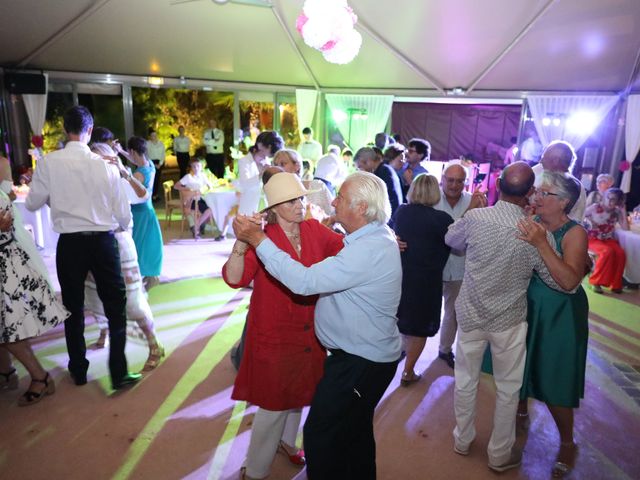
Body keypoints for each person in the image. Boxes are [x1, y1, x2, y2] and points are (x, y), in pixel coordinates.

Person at [233, 171, 402, 480]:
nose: (332, 201)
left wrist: (257, 240)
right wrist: (248, 243)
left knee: (322, 435)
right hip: (356, 355)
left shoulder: (362, 248)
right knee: (353, 430)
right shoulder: (373, 237)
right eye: (292, 199)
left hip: (358, 361)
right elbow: (236, 277)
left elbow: (304, 281)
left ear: (362, 208)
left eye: (341, 198)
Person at [445, 161, 567, 473]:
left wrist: (470, 210)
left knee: (465, 380)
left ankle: (462, 441)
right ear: (529, 193)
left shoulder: (475, 218)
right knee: (509, 389)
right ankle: (499, 455)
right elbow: (555, 281)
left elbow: (451, 241)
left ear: (498, 186)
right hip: (509, 320)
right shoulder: (535, 232)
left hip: (471, 314)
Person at [223, 172, 344, 480]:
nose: (300, 205)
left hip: (311, 330)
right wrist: (240, 244)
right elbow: (236, 278)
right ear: (274, 207)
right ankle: (255, 467)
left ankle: (288, 443)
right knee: (274, 405)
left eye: (301, 198)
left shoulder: (314, 230)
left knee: (303, 391)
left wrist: (378, 244)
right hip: (274, 332)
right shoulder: (261, 237)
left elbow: (345, 250)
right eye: (292, 201)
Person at [26, 105, 141, 390]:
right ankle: (119, 372)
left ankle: (78, 371)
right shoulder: (107, 165)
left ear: (66, 130)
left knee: (73, 308)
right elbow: (123, 215)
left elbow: (31, 204)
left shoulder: (49, 163)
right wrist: (121, 227)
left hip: (70, 244)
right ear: (89, 131)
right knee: (116, 306)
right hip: (103, 242)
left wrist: (57, 199)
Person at [515, 171, 589, 478]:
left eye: (546, 194)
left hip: (560, 312)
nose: (537, 197)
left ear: (565, 202)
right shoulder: (532, 221)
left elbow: (571, 280)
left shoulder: (575, 233)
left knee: (555, 375)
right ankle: (519, 415)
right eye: (537, 192)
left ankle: (568, 442)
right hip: (526, 303)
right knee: (519, 366)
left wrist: (542, 244)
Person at [84, 141, 165, 372]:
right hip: (93, 244)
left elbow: (141, 197)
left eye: (99, 158)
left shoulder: (118, 178)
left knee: (133, 300)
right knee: (96, 293)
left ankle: (154, 345)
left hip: (118, 243)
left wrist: (123, 173)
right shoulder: (87, 183)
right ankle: (104, 331)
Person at [0, 189, 68, 406]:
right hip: (7, 261)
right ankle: (7, 373)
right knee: (7, 327)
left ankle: (40, 377)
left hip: (4, 266)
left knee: (10, 330)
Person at [391, 174, 453, 385]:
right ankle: (408, 372)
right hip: (427, 282)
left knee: (397, 323)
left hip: (401, 277)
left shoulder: (402, 212)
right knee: (419, 330)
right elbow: (460, 240)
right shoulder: (443, 220)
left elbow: (389, 232)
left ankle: (389, 366)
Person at [434, 164, 487, 369]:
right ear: (443, 178)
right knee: (420, 309)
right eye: (450, 179)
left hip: (460, 265)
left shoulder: (475, 202)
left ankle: (444, 349)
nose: (454, 185)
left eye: (459, 181)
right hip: (432, 265)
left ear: (466, 182)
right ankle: (407, 347)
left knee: (454, 312)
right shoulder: (432, 198)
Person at [125, 136, 164, 289]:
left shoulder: (138, 175)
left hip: (139, 212)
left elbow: (129, 192)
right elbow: (134, 159)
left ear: (133, 151)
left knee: (137, 245)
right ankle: (151, 275)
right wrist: (120, 151)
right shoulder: (150, 166)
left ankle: (138, 279)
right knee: (149, 244)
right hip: (149, 210)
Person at [584, 187, 629, 293]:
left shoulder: (616, 212)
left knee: (621, 253)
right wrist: (589, 221)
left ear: (618, 202)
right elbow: (580, 217)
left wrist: (623, 211)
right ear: (604, 198)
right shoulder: (595, 207)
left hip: (607, 239)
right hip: (592, 239)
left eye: (613, 200)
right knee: (607, 252)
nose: (610, 201)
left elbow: (625, 228)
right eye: (608, 198)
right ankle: (595, 282)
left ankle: (616, 284)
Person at [532, 141, 586, 221]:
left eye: (544, 158)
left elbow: (576, 220)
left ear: (556, 160)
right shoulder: (536, 172)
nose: (541, 161)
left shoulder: (575, 187)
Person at [273, 149, 334, 219]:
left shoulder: (317, 186)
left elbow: (334, 213)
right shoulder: (277, 194)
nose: (277, 168)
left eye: (282, 164)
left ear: (297, 166)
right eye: (275, 165)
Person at [174, 158, 216, 239]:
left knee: (210, 210)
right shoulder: (188, 177)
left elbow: (209, 186)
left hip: (200, 199)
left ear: (201, 167)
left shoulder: (203, 176)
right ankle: (198, 229)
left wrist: (205, 189)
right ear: (191, 168)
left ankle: (197, 226)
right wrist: (187, 189)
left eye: (198, 166)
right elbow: (176, 186)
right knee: (194, 210)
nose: (196, 168)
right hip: (191, 200)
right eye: (194, 166)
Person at [355, 147, 403, 216]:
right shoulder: (385, 169)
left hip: (388, 219)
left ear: (368, 162)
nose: (360, 171)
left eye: (360, 167)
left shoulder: (382, 173)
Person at [146, 130, 166, 202]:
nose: (154, 137)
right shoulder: (147, 144)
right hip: (150, 162)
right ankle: (150, 196)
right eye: (152, 135)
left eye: (155, 135)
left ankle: (155, 195)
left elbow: (163, 154)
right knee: (150, 180)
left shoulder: (161, 144)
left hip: (159, 163)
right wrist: (152, 164)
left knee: (157, 179)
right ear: (150, 137)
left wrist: (160, 164)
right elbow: (146, 155)